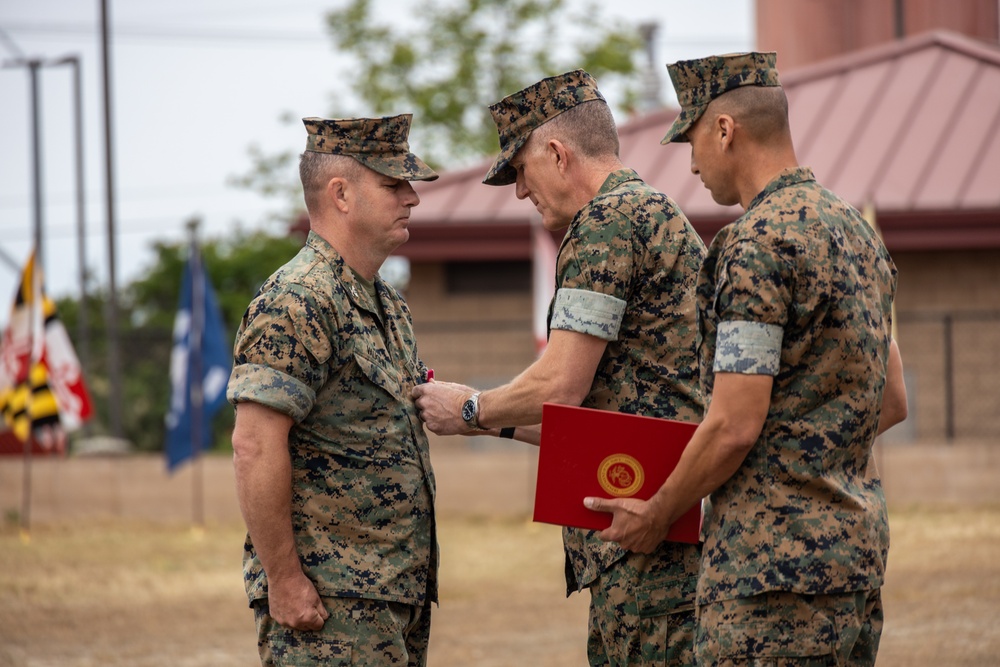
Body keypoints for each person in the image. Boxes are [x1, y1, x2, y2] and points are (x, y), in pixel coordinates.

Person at [585, 52, 908, 666]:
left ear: (725, 129)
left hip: (769, 581)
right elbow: (892, 400)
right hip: (855, 564)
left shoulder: (757, 245)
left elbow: (734, 424)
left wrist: (657, 513)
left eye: (693, 138)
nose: (691, 161)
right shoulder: (856, 233)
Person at [412, 70, 708, 666]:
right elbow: (594, 423)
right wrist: (482, 419)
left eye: (521, 170)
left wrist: (471, 407)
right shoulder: (647, 211)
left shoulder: (606, 224)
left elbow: (562, 385)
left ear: (556, 153)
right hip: (657, 540)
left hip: (650, 556)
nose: (520, 191)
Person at [227, 114, 440, 666]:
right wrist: (285, 578)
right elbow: (254, 444)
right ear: (340, 194)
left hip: (392, 594)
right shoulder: (296, 300)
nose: (412, 198)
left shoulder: (386, 304)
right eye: (393, 184)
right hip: (330, 602)